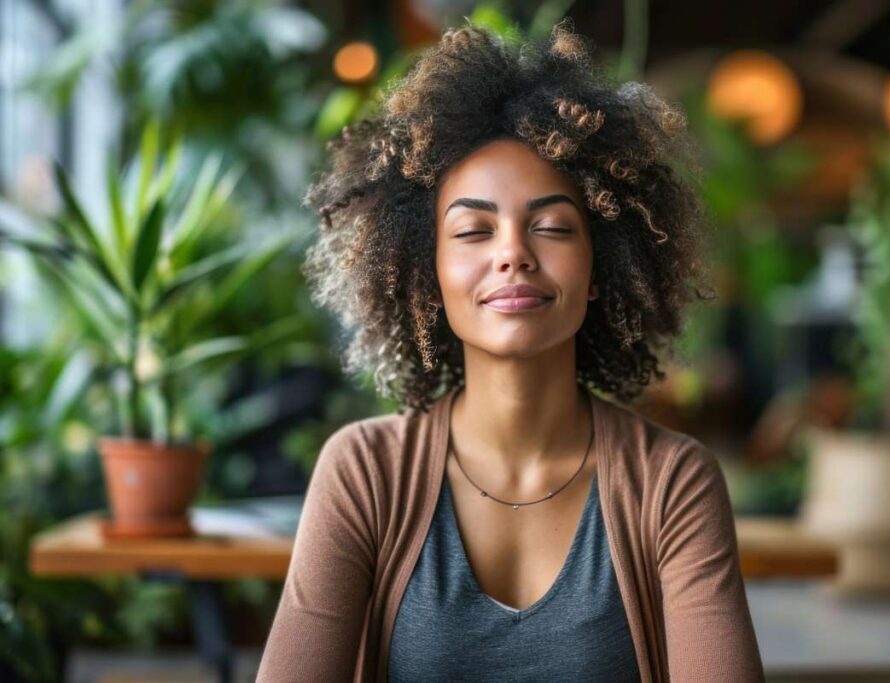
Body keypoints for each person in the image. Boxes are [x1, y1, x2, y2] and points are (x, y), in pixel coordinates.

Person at [256, 18, 764, 683]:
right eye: (472, 230)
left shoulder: (670, 484)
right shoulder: (365, 473)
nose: (513, 255)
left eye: (552, 226)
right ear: (423, 267)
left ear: (602, 263)